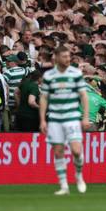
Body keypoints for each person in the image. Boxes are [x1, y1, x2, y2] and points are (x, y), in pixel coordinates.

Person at [39, 46, 90, 195]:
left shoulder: (75, 73)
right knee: (58, 151)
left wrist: (85, 117)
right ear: (56, 57)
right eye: (65, 57)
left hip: (72, 117)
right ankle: (64, 186)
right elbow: (44, 98)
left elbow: (84, 96)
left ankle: (79, 175)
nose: (68, 59)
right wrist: (42, 120)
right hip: (55, 118)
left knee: (76, 150)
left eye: (69, 56)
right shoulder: (49, 75)